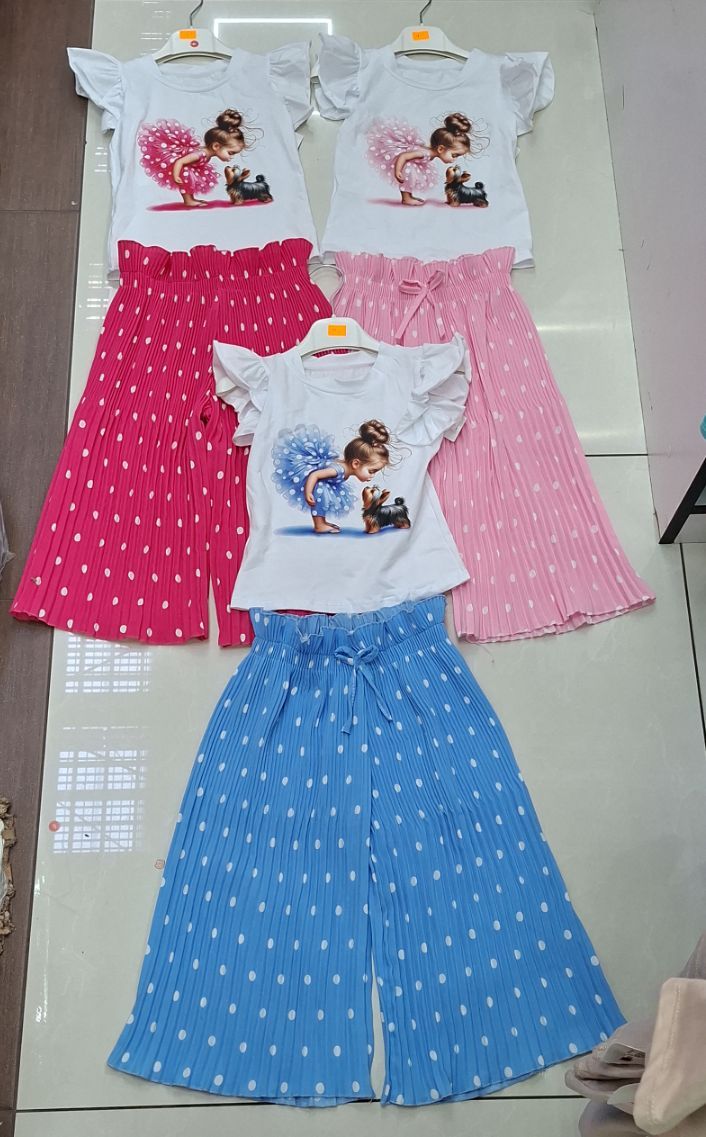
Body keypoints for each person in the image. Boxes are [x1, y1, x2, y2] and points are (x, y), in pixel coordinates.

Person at [272, 419, 392, 533]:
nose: (372, 476)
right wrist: (308, 492)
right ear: (355, 463)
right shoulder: (338, 470)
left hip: (324, 483)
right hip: (313, 481)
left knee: (324, 491)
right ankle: (319, 525)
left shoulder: (345, 469)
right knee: (321, 491)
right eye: (371, 471)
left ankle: (322, 522)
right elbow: (315, 474)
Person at [138, 108, 247, 208]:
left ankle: (191, 198)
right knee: (187, 176)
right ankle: (188, 200)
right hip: (180, 166)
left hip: (189, 167)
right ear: (216, 146)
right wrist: (176, 175)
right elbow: (180, 161)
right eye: (230, 153)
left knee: (190, 177)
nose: (231, 157)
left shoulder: (207, 154)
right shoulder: (200, 154)